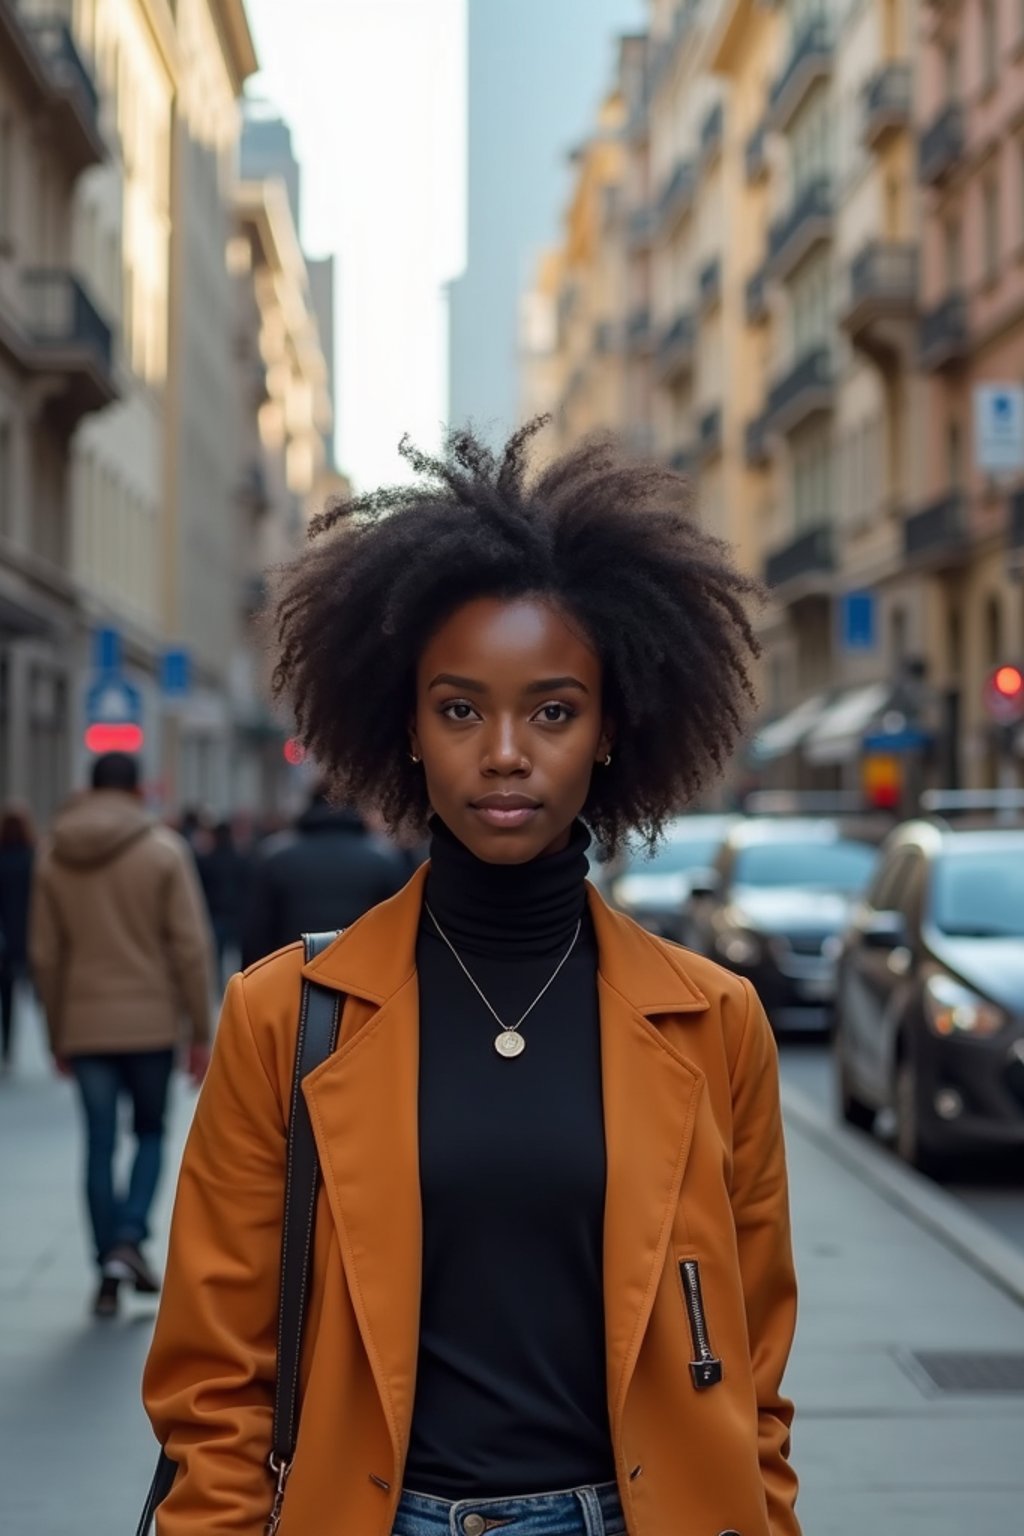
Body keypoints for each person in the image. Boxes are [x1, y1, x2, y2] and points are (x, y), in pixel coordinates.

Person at [143, 427, 801, 1536]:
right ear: (405, 728)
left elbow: (756, 1367)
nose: (505, 752)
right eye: (460, 710)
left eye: (552, 711)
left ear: (608, 731)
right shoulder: (284, 1017)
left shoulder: (712, 1020)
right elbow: (212, 1381)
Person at [29, 753, 214, 1317]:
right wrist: (200, 1029)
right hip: (151, 1022)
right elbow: (189, 945)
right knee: (152, 1132)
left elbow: (45, 954)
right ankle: (131, 1235)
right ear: (138, 790)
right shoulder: (164, 851)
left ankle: (107, 1261)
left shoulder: (55, 856)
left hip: (84, 1024)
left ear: (91, 789)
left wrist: (57, 1032)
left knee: (99, 1141)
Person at [239, 781, 408, 968]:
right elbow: (398, 934)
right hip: (364, 978)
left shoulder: (274, 858)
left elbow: (256, 934)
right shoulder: (385, 859)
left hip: (290, 978)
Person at [0, 801, 35, 1074]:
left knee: (7, 992)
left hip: (4, 934)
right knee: (22, 992)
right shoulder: (33, 859)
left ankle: (7, 1047)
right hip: (26, 934)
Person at [196, 819, 250, 986]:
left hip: (216, 913)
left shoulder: (207, 861)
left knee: (217, 956)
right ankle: (240, 984)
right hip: (237, 914)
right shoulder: (241, 859)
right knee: (238, 954)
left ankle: (221, 987)